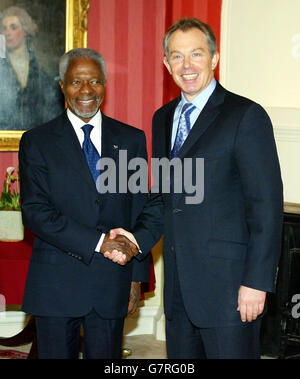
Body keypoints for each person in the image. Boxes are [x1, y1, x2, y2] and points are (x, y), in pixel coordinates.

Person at [107, 18, 283, 359]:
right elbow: (164, 199)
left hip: (231, 291)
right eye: (177, 56)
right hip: (178, 293)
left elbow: (266, 207)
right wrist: (135, 240)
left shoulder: (245, 116)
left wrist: (257, 282)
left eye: (196, 54)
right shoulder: (163, 118)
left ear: (214, 59)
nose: (186, 66)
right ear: (165, 63)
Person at [18, 48, 148, 359]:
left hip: (111, 282)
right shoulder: (38, 142)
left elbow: (139, 211)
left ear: (105, 84)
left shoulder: (131, 140)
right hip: (55, 285)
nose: (86, 90)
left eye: (94, 81)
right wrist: (99, 242)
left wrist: (136, 278)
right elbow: (36, 213)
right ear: (62, 85)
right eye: (76, 81)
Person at [0, 6, 64, 130]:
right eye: (4, 28)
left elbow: (51, 109)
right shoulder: (1, 65)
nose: (7, 33)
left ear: (25, 30)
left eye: (13, 27)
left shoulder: (41, 68)